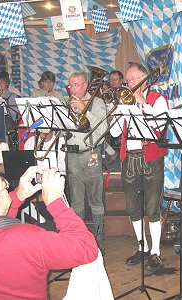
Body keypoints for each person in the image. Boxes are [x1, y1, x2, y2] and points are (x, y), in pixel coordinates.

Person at [0, 165, 100, 299]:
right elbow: (86, 248)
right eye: (4, 185)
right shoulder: (30, 239)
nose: (7, 187)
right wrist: (56, 202)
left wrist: (19, 194)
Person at [110, 62, 168, 273]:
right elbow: (116, 133)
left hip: (151, 158)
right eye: (128, 80)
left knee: (152, 208)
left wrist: (143, 104)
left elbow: (159, 128)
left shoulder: (158, 99)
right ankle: (142, 246)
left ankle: (156, 252)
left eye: (134, 79)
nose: (130, 83)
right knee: (133, 207)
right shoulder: (125, 101)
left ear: (145, 79)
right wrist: (117, 112)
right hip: (130, 158)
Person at [66, 71, 108, 253]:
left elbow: (103, 129)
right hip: (72, 155)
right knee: (76, 202)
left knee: (96, 200)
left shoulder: (97, 103)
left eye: (76, 85)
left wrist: (84, 109)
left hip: (91, 154)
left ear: (85, 85)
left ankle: (99, 239)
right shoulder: (66, 104)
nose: (73, 89)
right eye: (71, 86)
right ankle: (79, 239)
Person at [23, 129, 67, 229]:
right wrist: (37, 175)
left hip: (55, 177)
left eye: (46, 131)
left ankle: (52, 221)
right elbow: (27, 164)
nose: (43, 134)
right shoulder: (31, 142)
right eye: (41, 131)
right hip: (36, 178)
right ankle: (42, 220)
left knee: (51, 189)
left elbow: (64, 167)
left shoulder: (61, 142)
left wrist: (49, 172)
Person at [0, 71, 20, 136]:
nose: (0, 84)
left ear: (7, 83)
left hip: (8, 121)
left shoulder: (12, 96)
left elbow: (14, 114)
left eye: (2, 81)